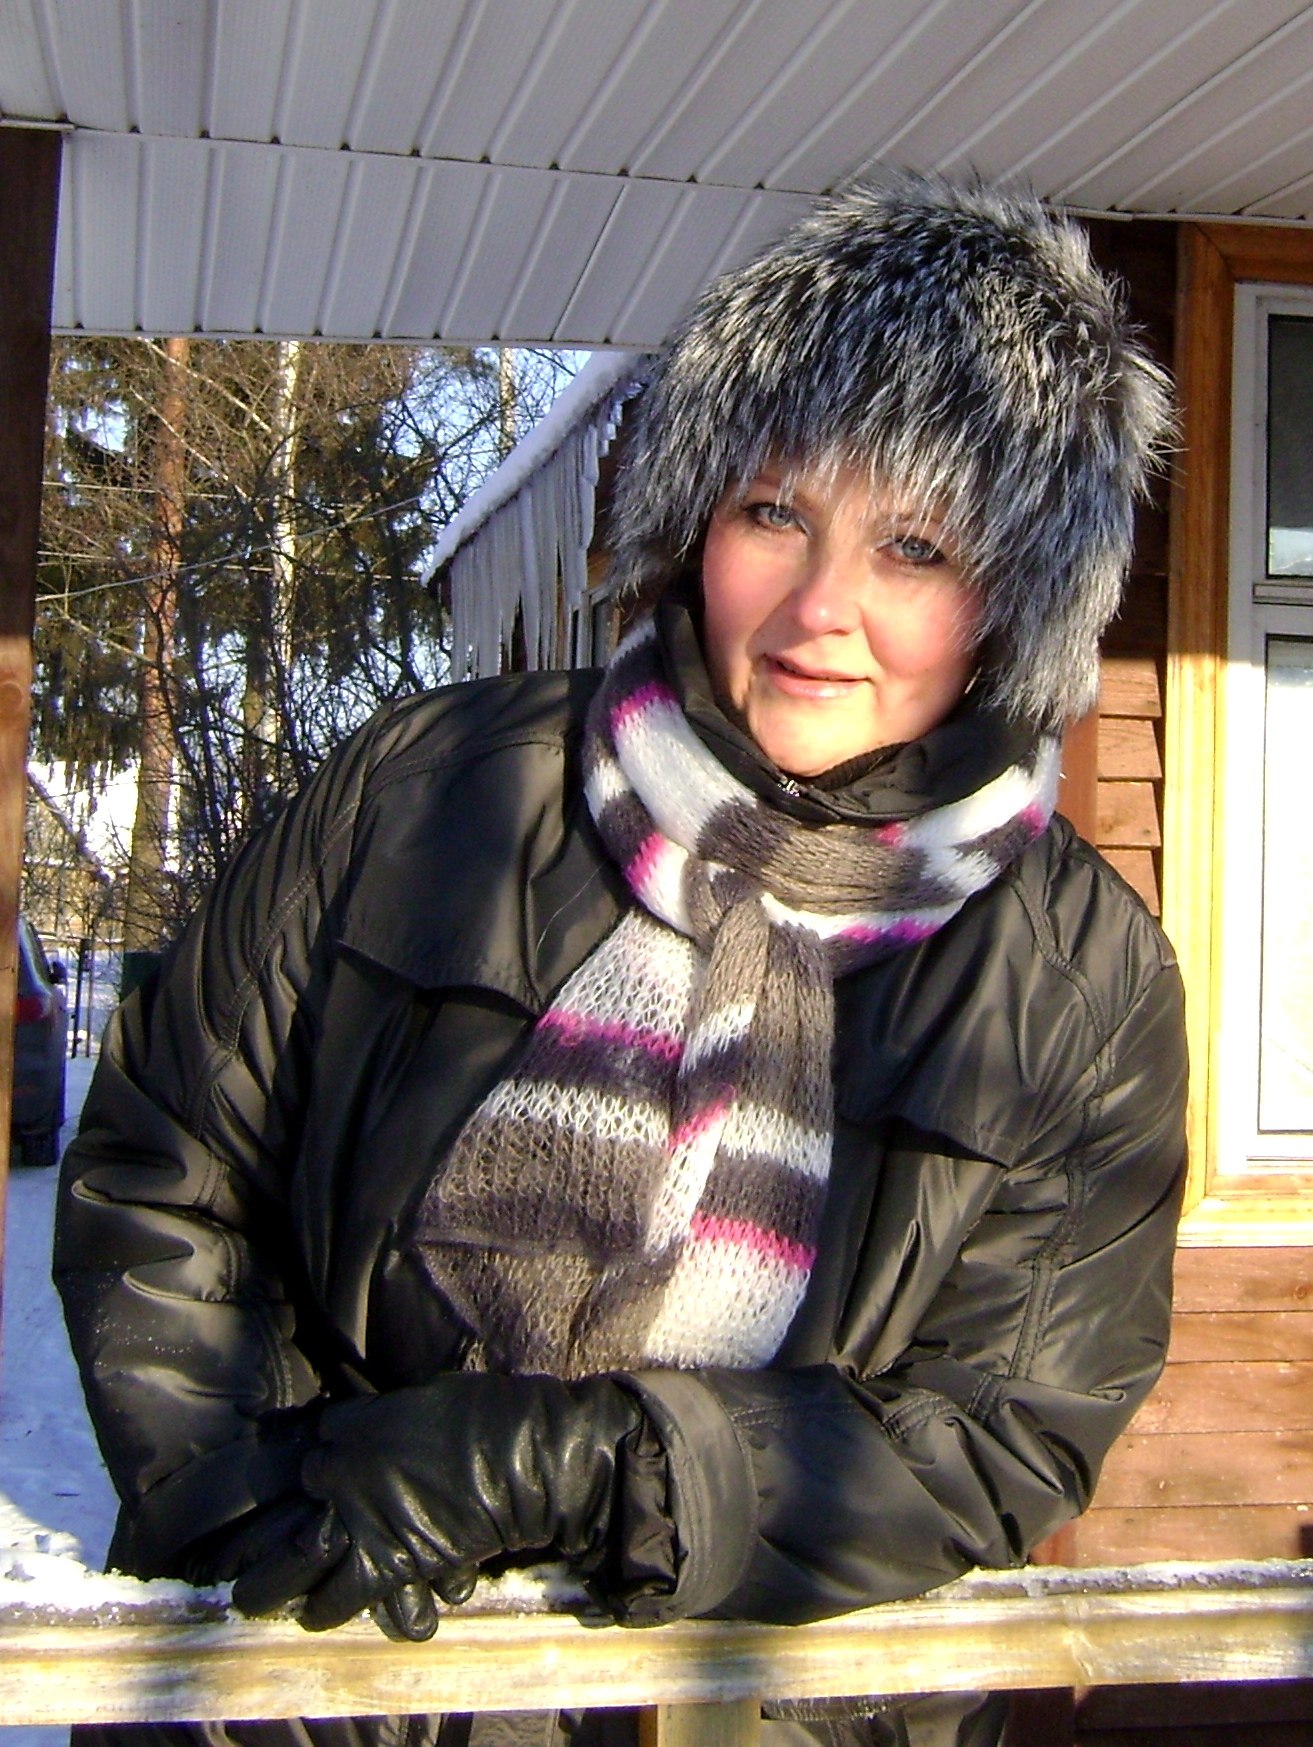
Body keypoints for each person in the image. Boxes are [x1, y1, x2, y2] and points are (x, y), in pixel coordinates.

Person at [55, 170, 1186, 1747]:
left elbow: (994, 1434)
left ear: (1014, 599)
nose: (821, 607)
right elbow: (168, 1172)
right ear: (695, 517)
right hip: (328, 1675)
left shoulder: (1075, 981)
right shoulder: (426, 792)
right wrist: (250, 1503)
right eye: (773, 512)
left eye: (915, 547)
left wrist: (581, 1466)